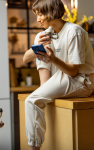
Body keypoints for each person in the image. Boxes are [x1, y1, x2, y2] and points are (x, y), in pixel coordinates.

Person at [23, 0, 94, 150]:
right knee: (39, 44)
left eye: (40, 14)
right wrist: (36, 48)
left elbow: (74, 71)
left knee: (31, 101)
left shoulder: (73, 31)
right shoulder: (45, 33)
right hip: (59, 78)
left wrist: (53, 59)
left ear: (52, 12)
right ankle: (44, 87)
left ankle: (33, 148)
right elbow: (25, 59)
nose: (38, 19)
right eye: (36, 15)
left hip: (81, 80)